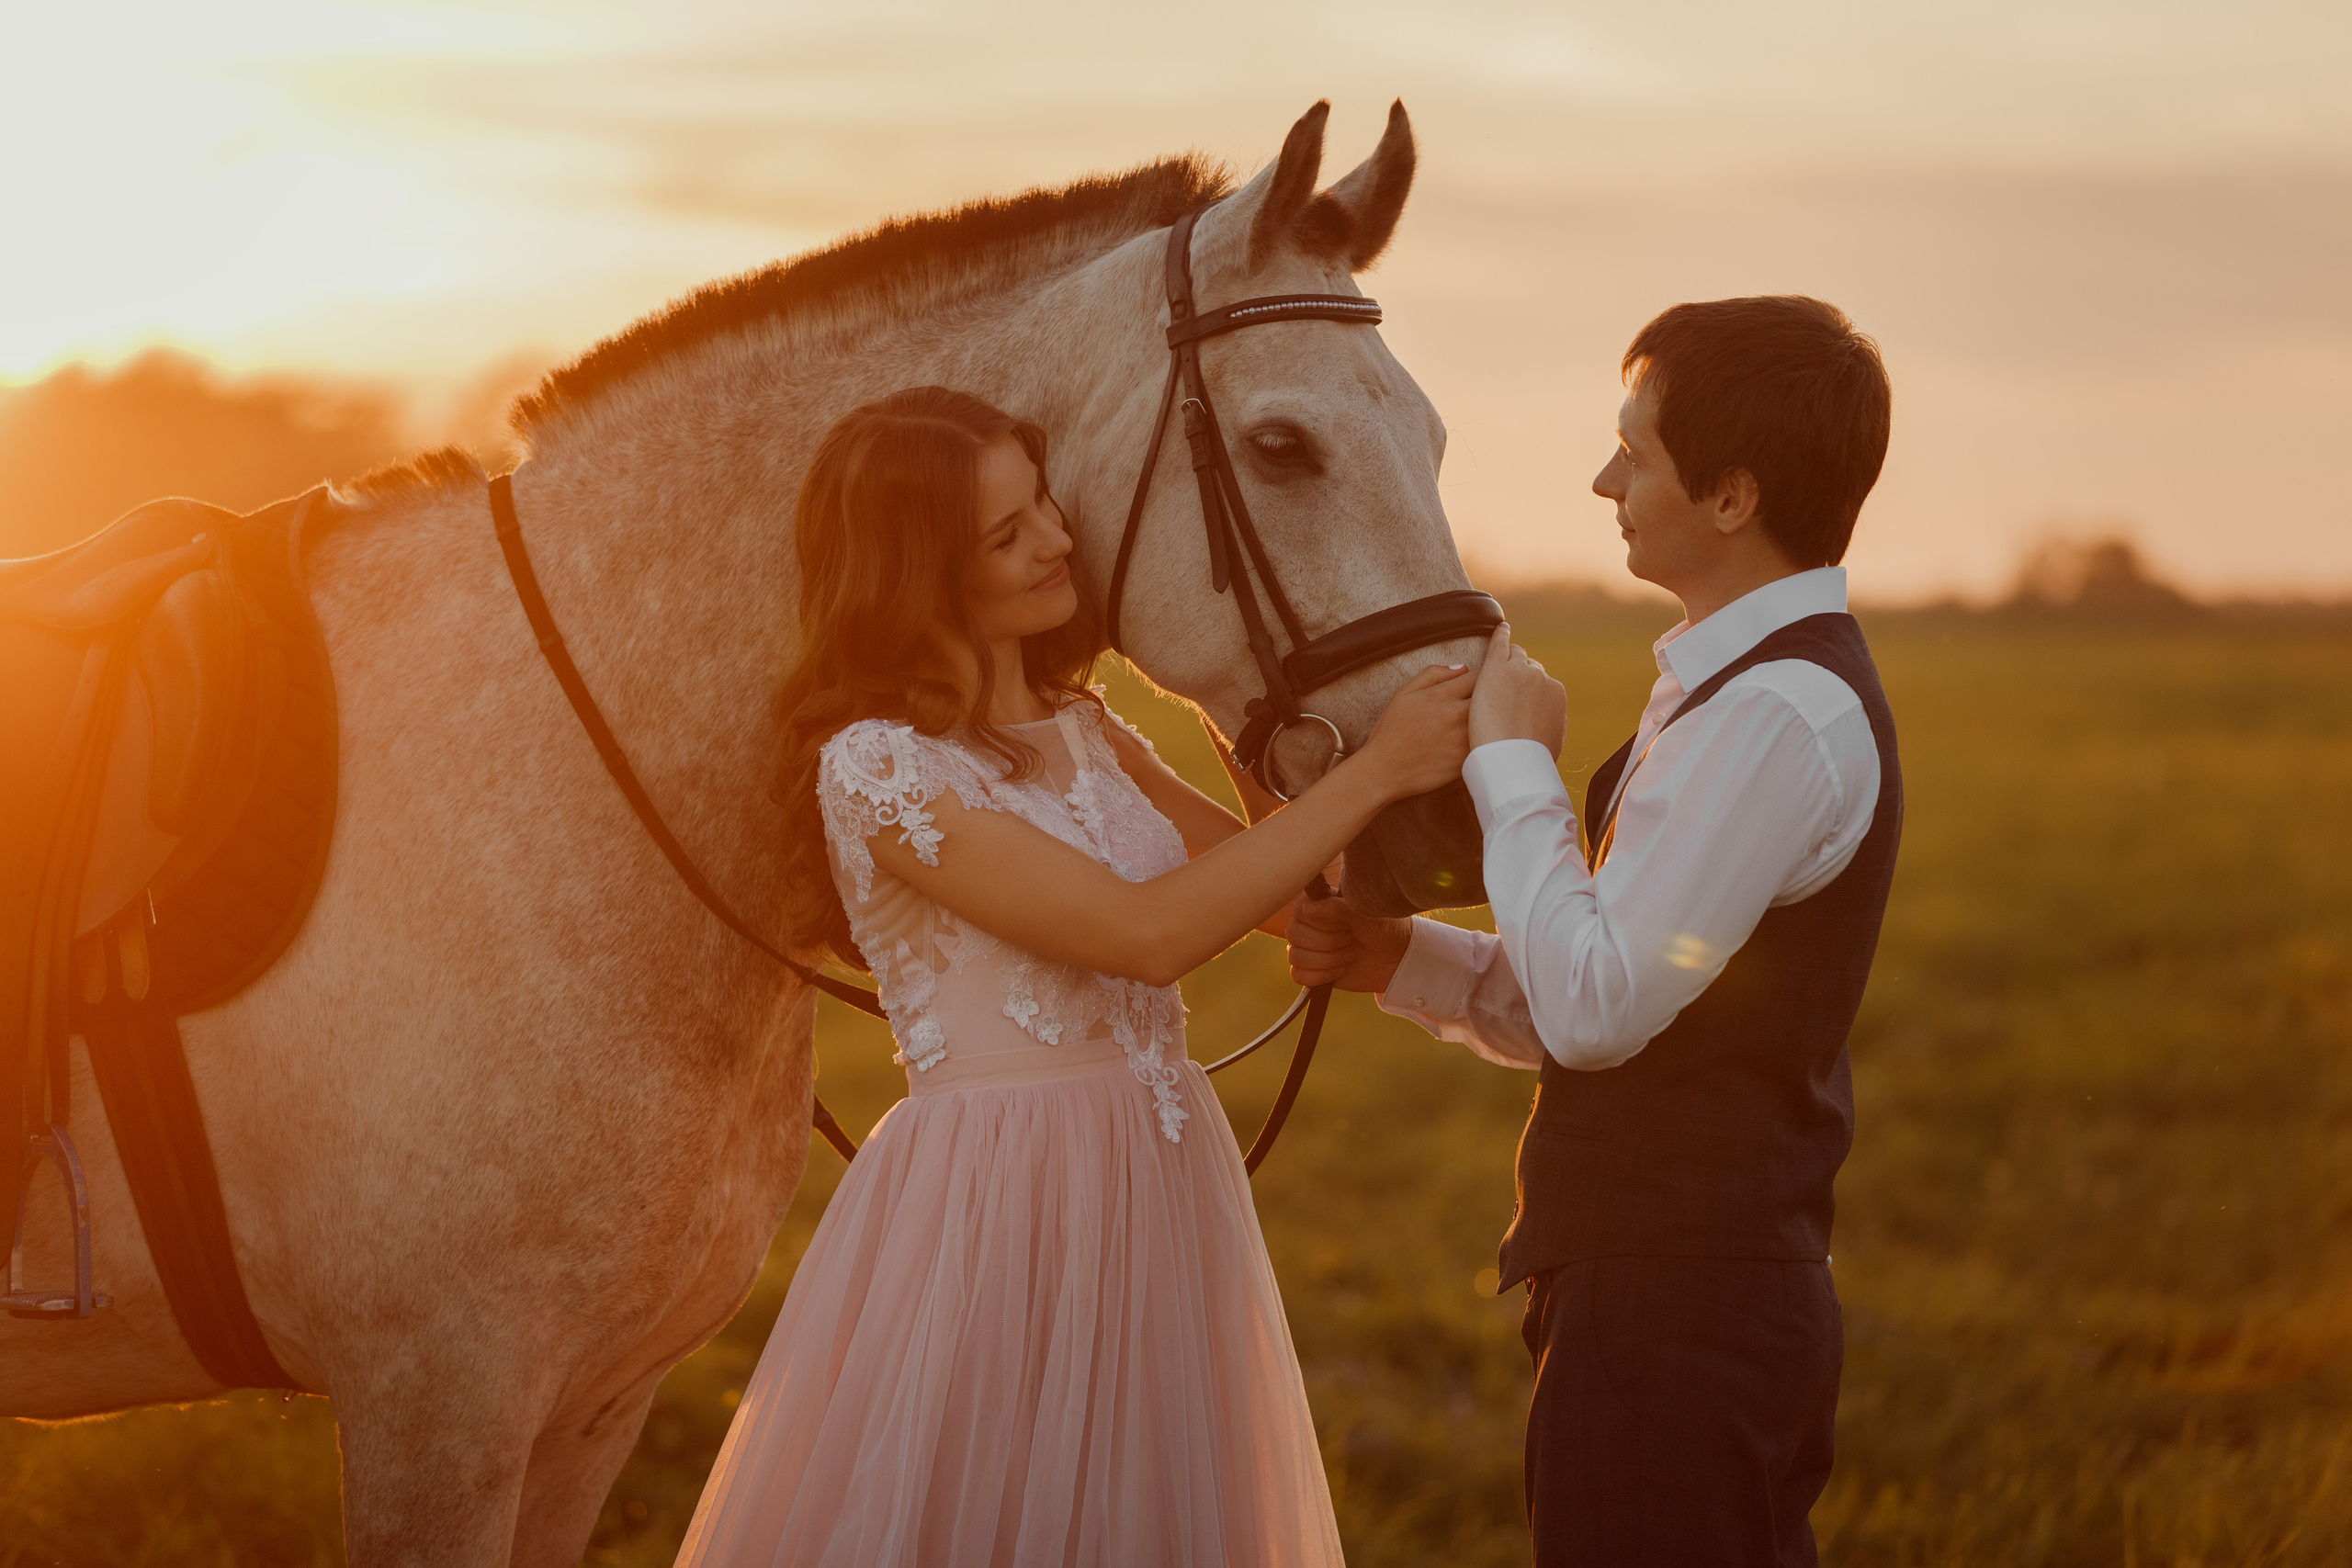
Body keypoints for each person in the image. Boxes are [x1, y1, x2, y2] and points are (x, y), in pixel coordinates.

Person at [675, 385, 1473, 1567]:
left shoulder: (1088, 729)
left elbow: (1298, 890)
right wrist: (1376, 772)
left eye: (1041, 500)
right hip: (1001, 1195)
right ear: (918, 572)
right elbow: (1143, 934)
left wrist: (1238, 705)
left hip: (1152, 1170)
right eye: (1006, 534)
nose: (1056, 538)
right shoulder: (881, 769)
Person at [1288, 296, 1900, 1566]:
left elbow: (1601, 1004)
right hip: (1660, 1291)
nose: (1604, 477)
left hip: (1685, 1306)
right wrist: (1403, 958)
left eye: (1638, 448)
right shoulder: (1734, 689)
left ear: (1732, 496)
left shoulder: (1778, 712)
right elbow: (1627, 985)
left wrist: (1516, 768)